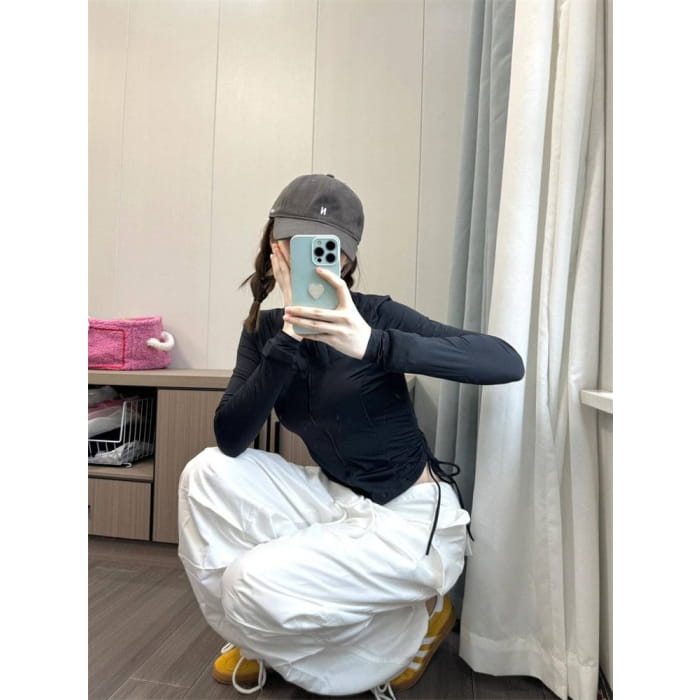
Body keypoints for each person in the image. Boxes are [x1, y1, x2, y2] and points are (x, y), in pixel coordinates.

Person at [178, 173, 524, 699]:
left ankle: (418, 621)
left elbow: (504, 361)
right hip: (335, 496)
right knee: (206, 471)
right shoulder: (264, 331)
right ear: (275, 250)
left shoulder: (376, 317)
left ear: (346, 261)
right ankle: (257, 636)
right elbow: (231, 438)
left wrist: (373, 344)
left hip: (408, 515)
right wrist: (289, 337)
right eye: (298, 246)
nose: (315, 264)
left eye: (329, 251)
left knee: (248, 582)